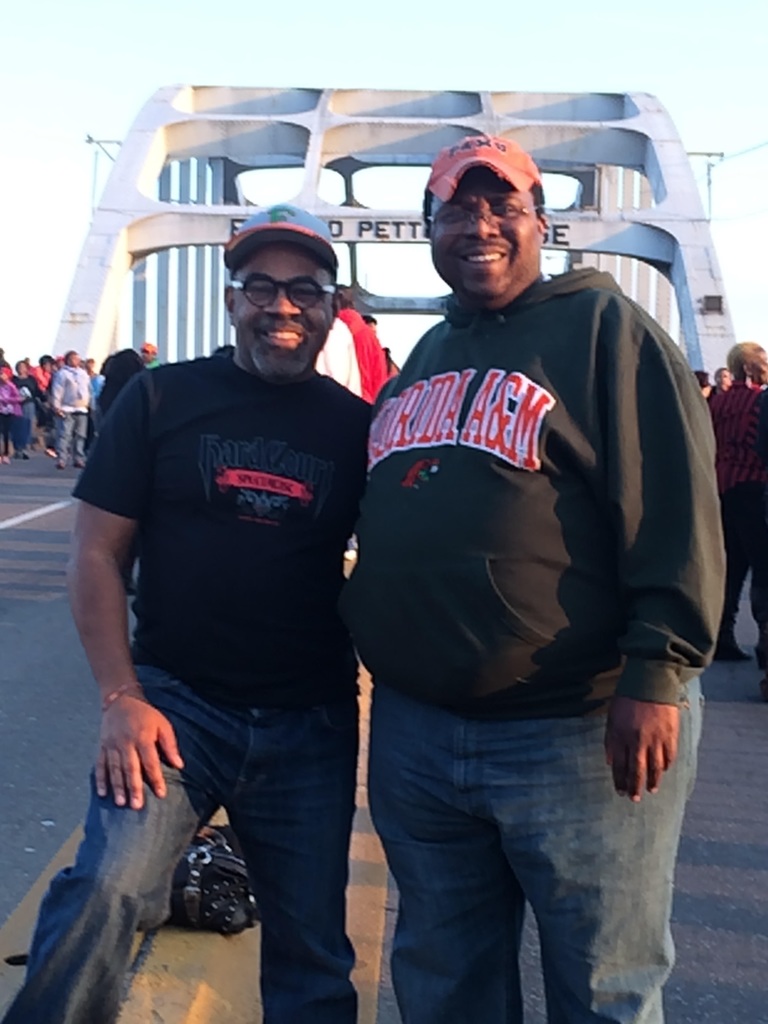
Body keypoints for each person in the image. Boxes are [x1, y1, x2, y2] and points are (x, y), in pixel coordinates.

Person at [341, 134, 723, 1024]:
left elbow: (672, 503)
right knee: (444, 983)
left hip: (572, 732)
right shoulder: (430, 350)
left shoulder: (605, 328)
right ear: (429, 227)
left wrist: (658, 674)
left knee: (604, 990)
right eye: (457, 208)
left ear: (540, 223)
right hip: (421, 734)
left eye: (502, 205)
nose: (480, 224)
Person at [3, 204, 369, 1024]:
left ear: (330, 307)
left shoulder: (353, 427)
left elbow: (411, 553)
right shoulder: (163, 400)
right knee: (105, 889)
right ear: (231, 298)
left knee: (312, 948)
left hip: (308, 718)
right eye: (262, 287)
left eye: (305, 289)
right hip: (176, 708)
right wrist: (119, 697)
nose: (283, 306)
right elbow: (96, 553)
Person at [710, 342, 768, 683]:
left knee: (731, 565)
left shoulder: (719, 401)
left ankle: (722, 635)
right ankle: (764, 640)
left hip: (722, 486)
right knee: (763, 565)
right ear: (750, 367)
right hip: (753, 485)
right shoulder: (758, 400)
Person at [337, 287, 389, 402]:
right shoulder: (370, 336)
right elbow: (380, 376)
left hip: (339, 402)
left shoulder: (331, 332)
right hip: (369, 405)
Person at [50, 350, 90, 469]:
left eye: (78, 359)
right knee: (65, 435)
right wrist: (56, 406)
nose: (76, 361)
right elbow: (57, 390)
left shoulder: (83, 373)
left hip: (82, 408)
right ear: (68, 360)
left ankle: (79, 458)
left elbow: (89, 390)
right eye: (73, 359)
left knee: (80, 435)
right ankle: (62, 459)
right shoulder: (62, 373)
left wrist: (89, 404)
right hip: (67, 408)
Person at [11, 360, 42, 459]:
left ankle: (25, 448)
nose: (21, 369)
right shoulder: (13, 380)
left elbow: (37, 391)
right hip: (16, 405)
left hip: (29, 404)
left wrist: (44, 400)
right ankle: (17, 448)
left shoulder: (31, 379)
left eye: (23, 367)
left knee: (28, 425)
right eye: (19, 367)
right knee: (17, 427)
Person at [0, 366, 22, 464]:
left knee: (6, 433)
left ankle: (5, 454)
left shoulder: (11, 386)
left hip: (9, 411)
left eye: (3, 374)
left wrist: (6, 400)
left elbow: (18, 398)